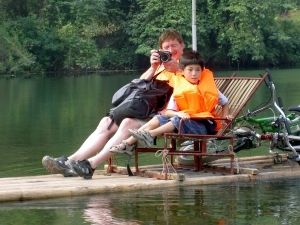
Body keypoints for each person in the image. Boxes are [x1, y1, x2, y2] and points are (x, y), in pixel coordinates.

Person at [42, 29, 185, 179]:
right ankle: (72, 161)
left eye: (174, 46)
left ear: (182, 46)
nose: (170, 50)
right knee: (106, 121)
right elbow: (138, 86)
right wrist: (153, 68)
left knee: (127, 123)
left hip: (166, 117)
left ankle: (91, 164)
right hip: (144, 111)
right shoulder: (160, 67)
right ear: (160, 50)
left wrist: (178, 70)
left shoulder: (189, 65)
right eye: (166, 47)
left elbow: (192, 89)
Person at [109, 50, 233, 153]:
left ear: (202, 71)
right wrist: (178, 113)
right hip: (183, 122)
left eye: (197, 70)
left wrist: (224, 119)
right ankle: (126, 144)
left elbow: (224, 102)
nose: (194, 74)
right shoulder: (180, 88)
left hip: (204, 126)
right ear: (182, 71)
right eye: (190, 70)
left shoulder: (209, 87)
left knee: (176, 120)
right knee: (159, 118)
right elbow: (168, 112)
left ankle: (150, 134)